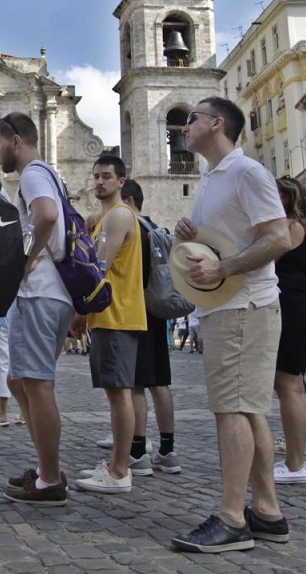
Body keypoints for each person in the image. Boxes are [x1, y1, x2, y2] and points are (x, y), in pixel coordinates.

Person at [170, 97, 293, 553]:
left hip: (244, 306)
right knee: (247, 408)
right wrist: (193, 234)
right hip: (227, 308)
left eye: (192, 119)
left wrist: (224, 271)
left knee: (231, 411)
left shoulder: (247, 173)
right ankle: (267, 510)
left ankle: (231, 518)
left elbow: (278, 237)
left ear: (216, 124)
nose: (184, 128)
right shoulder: (211, 178)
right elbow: (228, 239)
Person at [0, 111, 75, 507]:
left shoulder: (34, 174)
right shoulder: (48, 174)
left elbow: (48, 217)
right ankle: (44, 468)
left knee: (36, 384)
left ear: (16, 141)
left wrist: (28, 257)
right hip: (49, 294)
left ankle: (51, 478)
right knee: (22, 381)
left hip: (40, 291)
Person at [72, 155, 146, 495]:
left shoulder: (117, 216)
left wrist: (80, 312)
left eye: (106, 177)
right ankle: (118, 463)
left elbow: (99, 269)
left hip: (116, 314)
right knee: (117, 393)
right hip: (112, 316)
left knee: (120, 395)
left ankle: (119, 471)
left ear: (121, 181)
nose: (99, 182)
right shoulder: (108, 218)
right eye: (96, 176)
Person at [121, 179, 182, 477]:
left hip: (136, 311)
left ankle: (137, 451)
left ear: (129, 200)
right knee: (160, 382)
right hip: (158, 311)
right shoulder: (156, 228)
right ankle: (168, 450)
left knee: (135, 384)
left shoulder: (131, 229)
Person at [272, 176, 306, 485]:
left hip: (290, 309)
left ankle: (295, 463)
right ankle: (295, 457)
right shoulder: (302, 226)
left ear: (287, 199)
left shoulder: (291, 228)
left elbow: (268, 256)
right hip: (296, 307)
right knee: (293, 385)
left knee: (290, 386)